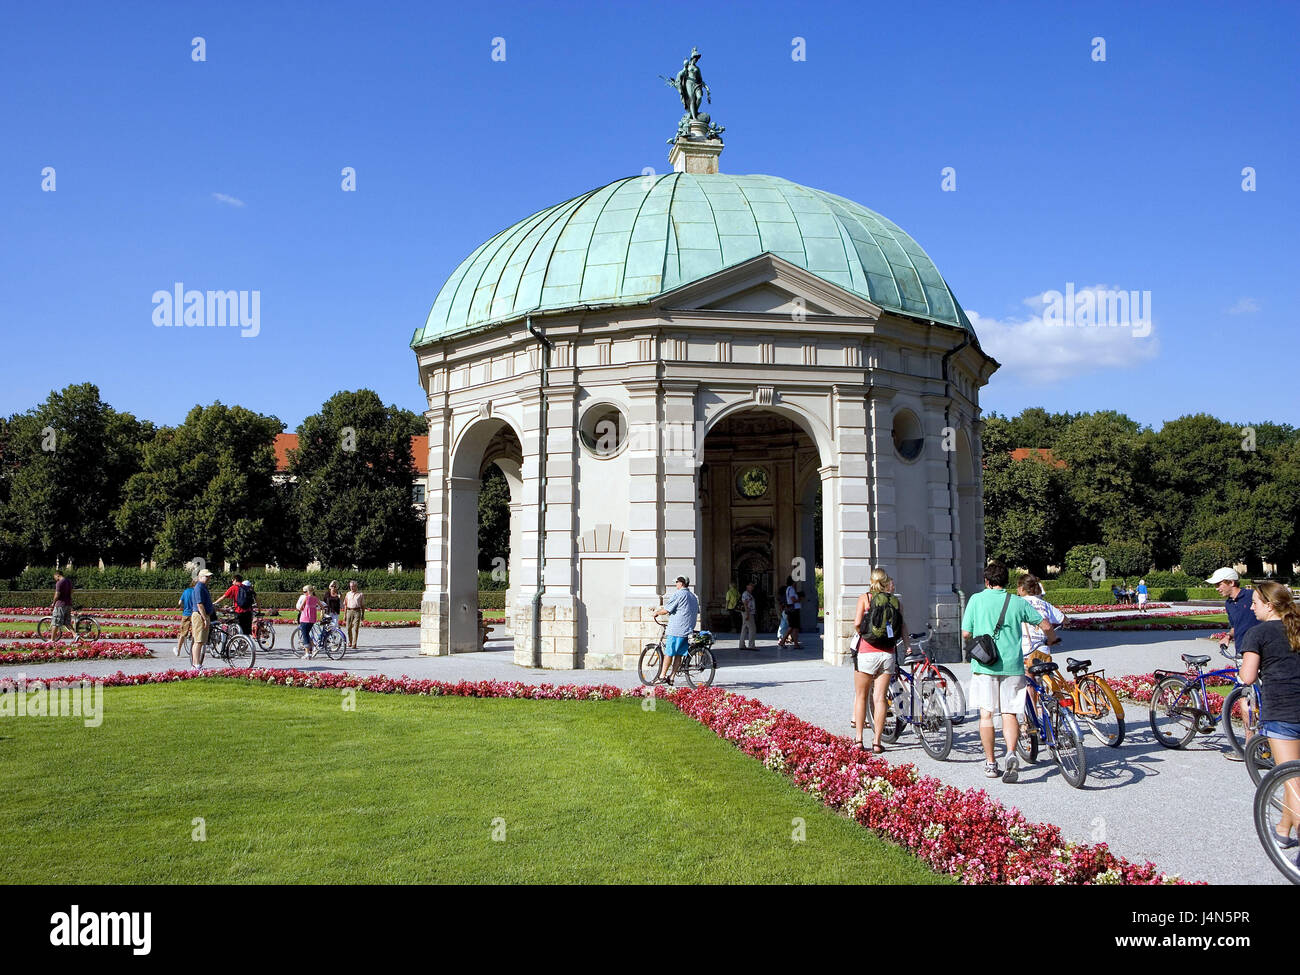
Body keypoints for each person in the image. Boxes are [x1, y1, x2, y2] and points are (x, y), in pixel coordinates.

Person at [961, 561, 1056, 782]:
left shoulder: (976, 600)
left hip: (984, 666)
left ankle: (991, 763)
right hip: (1013, 666)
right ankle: (1012, 754)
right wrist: (1053, 639)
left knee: (986, 714)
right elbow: (1046, 625)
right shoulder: (1017, 602)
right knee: (1009, 713)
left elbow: (966, 633)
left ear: (986, 581)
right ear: (1007, 581)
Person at [1237, 581, 1300, 848]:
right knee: (1293, 779)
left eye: (1255, 603)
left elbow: (1248, 677)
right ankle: (1283, 829)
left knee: (1292, 781)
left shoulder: (1258, 633)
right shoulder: (1295, 627)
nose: (1251, 608)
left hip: (1283, 712)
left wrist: (1241, 673)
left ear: (1269, 605)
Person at [851, 568, 909, 753]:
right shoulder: (895, 601)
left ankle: (859, 740)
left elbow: (857, 623)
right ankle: (877, 742)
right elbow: (902, 625)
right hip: (888, 653)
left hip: (867, 652)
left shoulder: (865, 598)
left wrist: (866, 636)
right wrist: (906, 644)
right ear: (886, 582)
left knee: (861, 696)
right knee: (880, 698)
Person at [1017, 574, 1067, 718]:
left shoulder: (1019, 603)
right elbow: (1063, 619)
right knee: (1045, 678)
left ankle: (1031, 720)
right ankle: (1051, 708)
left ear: (1021, 588)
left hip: (1027, 650)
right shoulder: (1044, 604)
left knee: (1029, 683)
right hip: (1044, 650)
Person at [652, 576, 699, 684]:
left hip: (676, 628)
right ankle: (672, 677)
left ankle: (663, 675)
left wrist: (657, 612)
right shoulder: (693, 596)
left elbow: (667, 609)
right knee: (679, 654)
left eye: (677, 582)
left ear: (681, 583)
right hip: (688, 629)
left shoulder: (679, 594)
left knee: (669, 652)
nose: (675, 584)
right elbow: (697, 611)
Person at [1209, 568, 1259, 655]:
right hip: (1241, 650)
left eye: (1219, 584)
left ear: (1231, 583)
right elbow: (1235, 627)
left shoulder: (1252, 595)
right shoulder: (1228, 603)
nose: (1217, 589)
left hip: (1259, 649)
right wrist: (1228, 636)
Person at [191, 568, 216, 669]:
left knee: (201, 641)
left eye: (209, 576)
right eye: (206, 576)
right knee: (198, 641)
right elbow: (199, 604)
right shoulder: (199, 587)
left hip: (203, 615)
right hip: (199, 615)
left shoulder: (203, 587)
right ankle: (196, 664)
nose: (208, 578)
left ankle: (196, 664)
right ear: (200, 577)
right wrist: (205, 618)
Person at [296, 585, 322, 660]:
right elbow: (321, 607)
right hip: (312, 619)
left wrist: (303, 609)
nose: (304, 593)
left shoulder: (306, 598)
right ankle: (314, 647)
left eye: (304, 591)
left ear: (307, 592)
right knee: (307, 633)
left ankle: (307, 653)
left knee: (304, 635)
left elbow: (300, 608)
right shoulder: (316, 598)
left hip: (305, 618)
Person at [51, 570, 73, 640]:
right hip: (68, 604)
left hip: (60, 605)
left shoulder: (59, 582)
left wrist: (53, 603)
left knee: (56, 622)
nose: (55, 579)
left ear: (57, 575)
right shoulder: (68, 581)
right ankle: (75, 635)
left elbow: (57, 594)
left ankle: (52, 640)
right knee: (67, 623)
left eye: (54, 577)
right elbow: (72, 591)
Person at [344, 579, 366, 649]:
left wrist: (363, 614)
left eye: (353, 586)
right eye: (350, 586)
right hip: (349, 611)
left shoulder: (360, 594)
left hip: (357, 611)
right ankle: (350, 641)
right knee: (348, 628)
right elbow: (345, 604)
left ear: (356, 586)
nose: (351, 588)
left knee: (356, 628)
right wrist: (344, 614)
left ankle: (354, 643)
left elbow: (363, 605)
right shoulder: (348, 594)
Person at [176, 582, 195, 658]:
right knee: (194, 633)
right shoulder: (196, 591)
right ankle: (193, 651)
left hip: (186, 614)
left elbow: (179, 602)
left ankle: (178, 650)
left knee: (183, 633)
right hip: (194, 613)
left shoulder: (186, 591)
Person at [783, 575, 803, 649]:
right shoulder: (791, 589)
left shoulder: (789, 589)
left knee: (794, 628)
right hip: (794, 610)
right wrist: (800, 599)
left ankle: (795, 643)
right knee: (793, 627)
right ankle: (783, 641)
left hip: (792, 610)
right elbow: (793, 599)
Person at [738, 582, 757, 651]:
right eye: (751, 586)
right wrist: (748, 614)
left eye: (753, 586)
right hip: (748, 612)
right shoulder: (745, 594)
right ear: (747, 586)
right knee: (752, 629)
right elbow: (745, 604)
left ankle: (741, 644)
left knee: (744, 628)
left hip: (748, 612)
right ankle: (751, 645)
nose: (752, 587)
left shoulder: (749, 594)